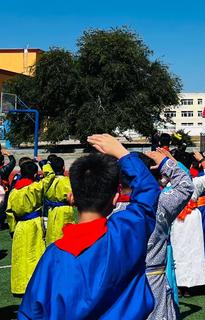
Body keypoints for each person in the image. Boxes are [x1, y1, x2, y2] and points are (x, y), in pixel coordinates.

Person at [19, 134, 162, 319]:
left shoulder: (52, 257)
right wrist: (122, 153)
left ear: (72, 197)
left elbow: (31, 313)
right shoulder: (125, 233)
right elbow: (148, 192)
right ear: (115, 199)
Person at [112, 149, 194, 320]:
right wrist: (166, 163)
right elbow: (185, 185)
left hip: (119, 285)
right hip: (153, 283)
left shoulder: (107, 209)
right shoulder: (162, 203)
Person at [7, 159, 56, 296]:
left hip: (20, 225)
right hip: (34, 224)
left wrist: (12, 229)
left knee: (20, 256)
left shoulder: (14, 192)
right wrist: (44, 163)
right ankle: (36, 282)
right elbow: (50, 176)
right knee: (35, 253)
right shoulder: (36, 187)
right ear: (35, 175)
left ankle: (20, 285)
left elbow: (9, 213)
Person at [170, 150, 205, 296]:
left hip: (175, 218)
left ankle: (177, 283)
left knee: (177, 249)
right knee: (192, 250)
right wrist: (202, 159)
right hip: (192, 218)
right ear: (190, 166)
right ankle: (190, 284)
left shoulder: (170, 185)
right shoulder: (195, 182)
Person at [44, 155, 76, 245]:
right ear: (63, 167)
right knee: (65, 235)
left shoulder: (47, 181)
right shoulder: (68, 181)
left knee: (52, 233)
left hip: (52, 210)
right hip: (65, 210)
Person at [0, 145, 16, 227]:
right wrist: (8, 154)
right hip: (3, 189)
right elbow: (13, 162)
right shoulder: (4, 169)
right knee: (3, 206)